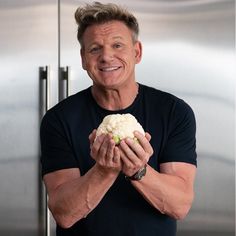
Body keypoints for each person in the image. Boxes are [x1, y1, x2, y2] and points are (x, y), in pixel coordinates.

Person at [40, 2, 197, 236]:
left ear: (137, 52)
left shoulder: (174, 112)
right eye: (94, 49)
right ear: (83, 59)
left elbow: (180, 205)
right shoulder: (58, 119)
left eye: (117, 45)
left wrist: (138, 170)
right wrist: (103, 171)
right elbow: (63, 213)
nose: (106, 56)